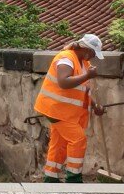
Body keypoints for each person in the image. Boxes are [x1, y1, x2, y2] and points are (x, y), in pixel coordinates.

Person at [34, 33, 104, 183]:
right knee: (78, 140)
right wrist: (87, 76)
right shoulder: (66, 58)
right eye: (93, 54)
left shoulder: (83, 63)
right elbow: (63, 82)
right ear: (86, 50)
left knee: (59, 142)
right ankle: (73, 177)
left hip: (63, 111)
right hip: (56, 109)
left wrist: (94, 106)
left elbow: (83, 90)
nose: (93, 57)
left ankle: (50, 177)